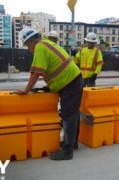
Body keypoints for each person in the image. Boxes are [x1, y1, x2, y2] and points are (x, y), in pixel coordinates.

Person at [16, 28, 83, 160]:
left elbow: (36, 72)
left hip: (69, 83)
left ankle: (67, 151)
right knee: (73, 115)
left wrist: (26, 91)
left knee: (68, 116)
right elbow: (55, 67)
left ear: (31, 40)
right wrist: (50, 87)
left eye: (27, 44)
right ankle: (72, 143)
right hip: (73, 81)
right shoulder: (47, 43)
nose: (28, 49)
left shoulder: (40, 47)